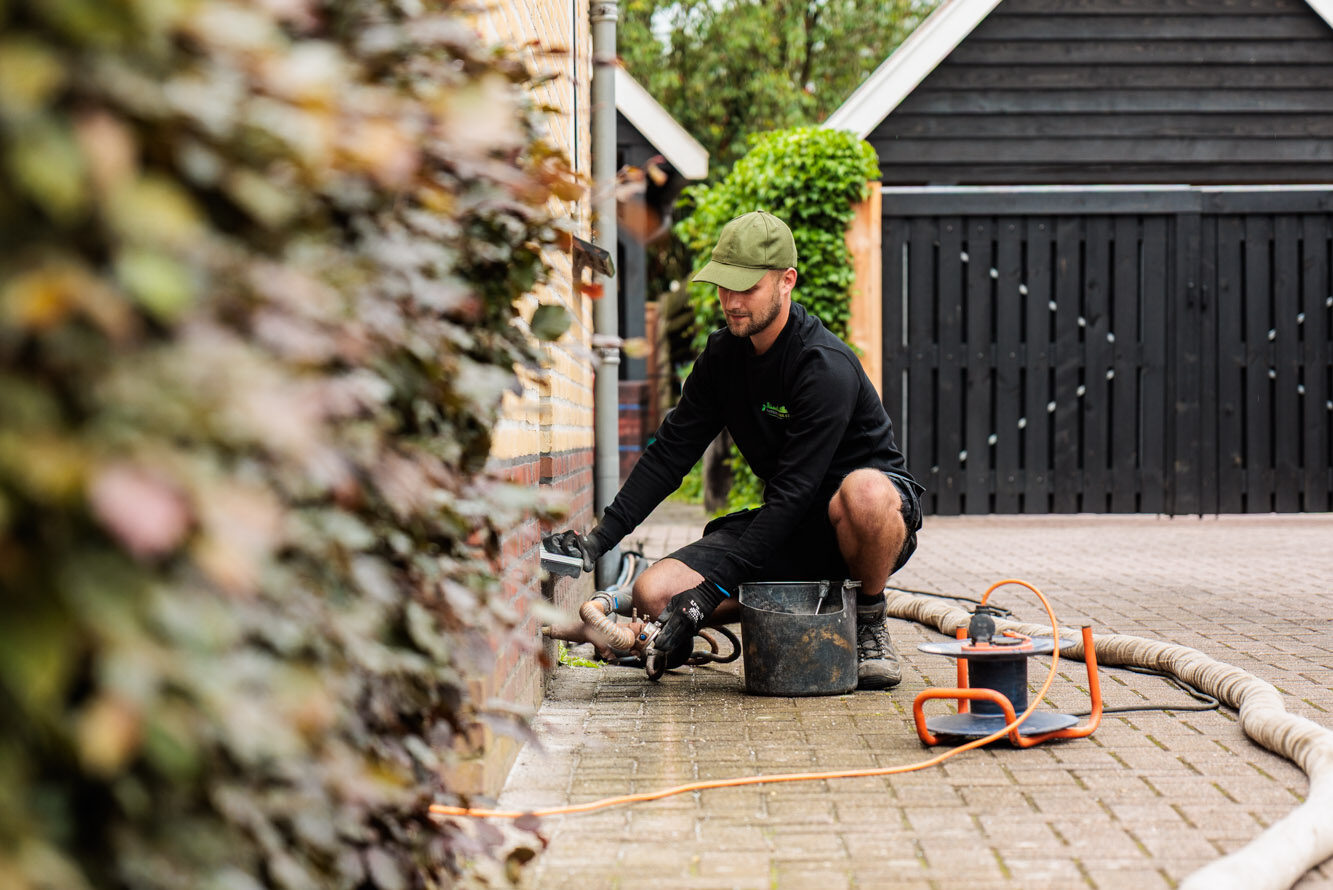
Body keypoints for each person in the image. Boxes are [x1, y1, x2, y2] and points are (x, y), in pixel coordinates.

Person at [549, 210, 923, 689]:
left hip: (861, 524)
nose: (731, 301)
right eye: (724, 286)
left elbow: (793, 493)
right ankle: (794, 604)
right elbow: (670, 455)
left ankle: (868, 617)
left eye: (746, 288)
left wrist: (705, 598)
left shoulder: (823, 366)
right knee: (652, 591)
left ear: (787, 281)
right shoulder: (722, 359)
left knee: (866, 491)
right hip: (789, 527)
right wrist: (598, 540)